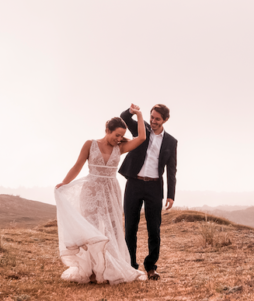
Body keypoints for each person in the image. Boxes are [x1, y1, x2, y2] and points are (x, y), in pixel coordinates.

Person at [53, 105, 148, 284]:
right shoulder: (90, 144)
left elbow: (142, 137)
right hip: (91, 191)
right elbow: (78, 165)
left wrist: (139, 115)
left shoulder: (120, 148)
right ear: (107, 130)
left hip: (111, 191)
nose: (119, 139)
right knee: (91, 229)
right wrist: (64, 183)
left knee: (112, 228)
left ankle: (109, 268)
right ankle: (91, 269)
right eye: (116, 135)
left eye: (121, 136)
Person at [119, 103, 177, 280]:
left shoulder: (171, 142)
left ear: (165, 120)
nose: (153, 121)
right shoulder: (141, 128)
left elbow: (171, 169)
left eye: (157, 119)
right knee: (130, 227)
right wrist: (134, 112)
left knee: (154, 229)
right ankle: (131, 266)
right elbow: (124, 117)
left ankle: (151, 267)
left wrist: (170, 195)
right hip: (134, 183)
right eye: (152, 117)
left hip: (154, 187)